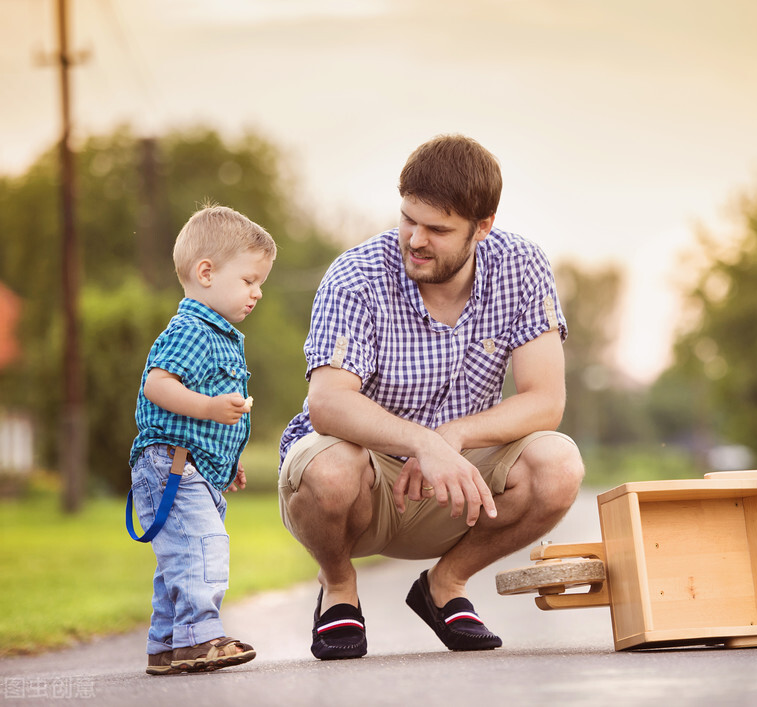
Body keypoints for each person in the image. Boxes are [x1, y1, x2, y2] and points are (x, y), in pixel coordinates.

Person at [278, 134, 585, 659]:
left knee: (559, 465)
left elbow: (545, 401)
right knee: (328, 469)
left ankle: (446, 584)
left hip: (456, 483)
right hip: (364, 484)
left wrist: (452, 437)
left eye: (438, 230)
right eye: (408, 219)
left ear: (482, 227)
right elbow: (327, 403)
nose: (415, 240)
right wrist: (422, 443)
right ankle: (339, 589)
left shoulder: (522, 266)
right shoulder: (355, 275)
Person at [128, 204, 276, 675]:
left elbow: (207, 421)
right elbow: (157, 385)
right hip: (170, 465)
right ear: (206, 273)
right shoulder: (193, 330)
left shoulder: (220, 335)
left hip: (190, 465)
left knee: (181, 557)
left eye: (260, 283)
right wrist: (210, 407)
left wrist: (226, 461)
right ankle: (200, 637)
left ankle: (167, 644)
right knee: (203, 547)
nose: (257, 292)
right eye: (249, 280)